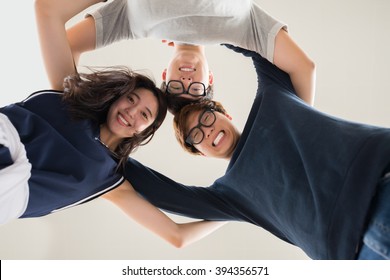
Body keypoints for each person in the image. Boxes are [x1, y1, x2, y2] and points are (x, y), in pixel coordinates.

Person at [122, 45, 390, 260]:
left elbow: (256, 41)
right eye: (196, 137)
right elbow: (163, 192)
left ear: (224, 113)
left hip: (381, 181)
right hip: (357, 253)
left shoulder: (272, 98)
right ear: (200, 152)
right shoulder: (230, 196)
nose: (207, 131)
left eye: (207, 118)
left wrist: (194, 38)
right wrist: (106, 141)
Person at [0, 0, 226, 249]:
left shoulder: (108, 179)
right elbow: (47, 9)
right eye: (131, 99)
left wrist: (241, 210)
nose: (131, 112)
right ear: (117, 97)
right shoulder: (69, 99)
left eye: (145, 115)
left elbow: (177, 236)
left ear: (145, 132)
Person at [67, 0, 316, 111]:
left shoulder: (132, 24)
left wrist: (68, 106)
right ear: (210, 80)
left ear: (165, 74)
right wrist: (302, 135)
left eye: (176, 86)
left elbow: (66, 44)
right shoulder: (244, 32)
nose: (186, 81)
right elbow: (304, 68)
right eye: (195, 89)